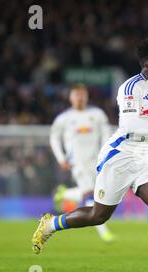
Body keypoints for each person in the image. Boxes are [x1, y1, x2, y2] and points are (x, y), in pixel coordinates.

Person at [32, 37, 148, 272]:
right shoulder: (130, 88)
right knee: (98, 215)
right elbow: (137, 125)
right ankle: (50, 224)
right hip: (122, 155)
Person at [49, 84, 115, 242]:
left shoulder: (97, 114)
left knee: (96, 192)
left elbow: (107, 134)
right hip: (77, 162)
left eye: (82, 95)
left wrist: (107, 154)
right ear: (71, 97)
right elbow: (54, 139)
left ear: (86, 96)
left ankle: (64, 194)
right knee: (90, 195)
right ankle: (104, 232)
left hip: (96, 161)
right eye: (76, 95)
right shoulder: (64, 118)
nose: (79, 98)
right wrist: (61, 158)